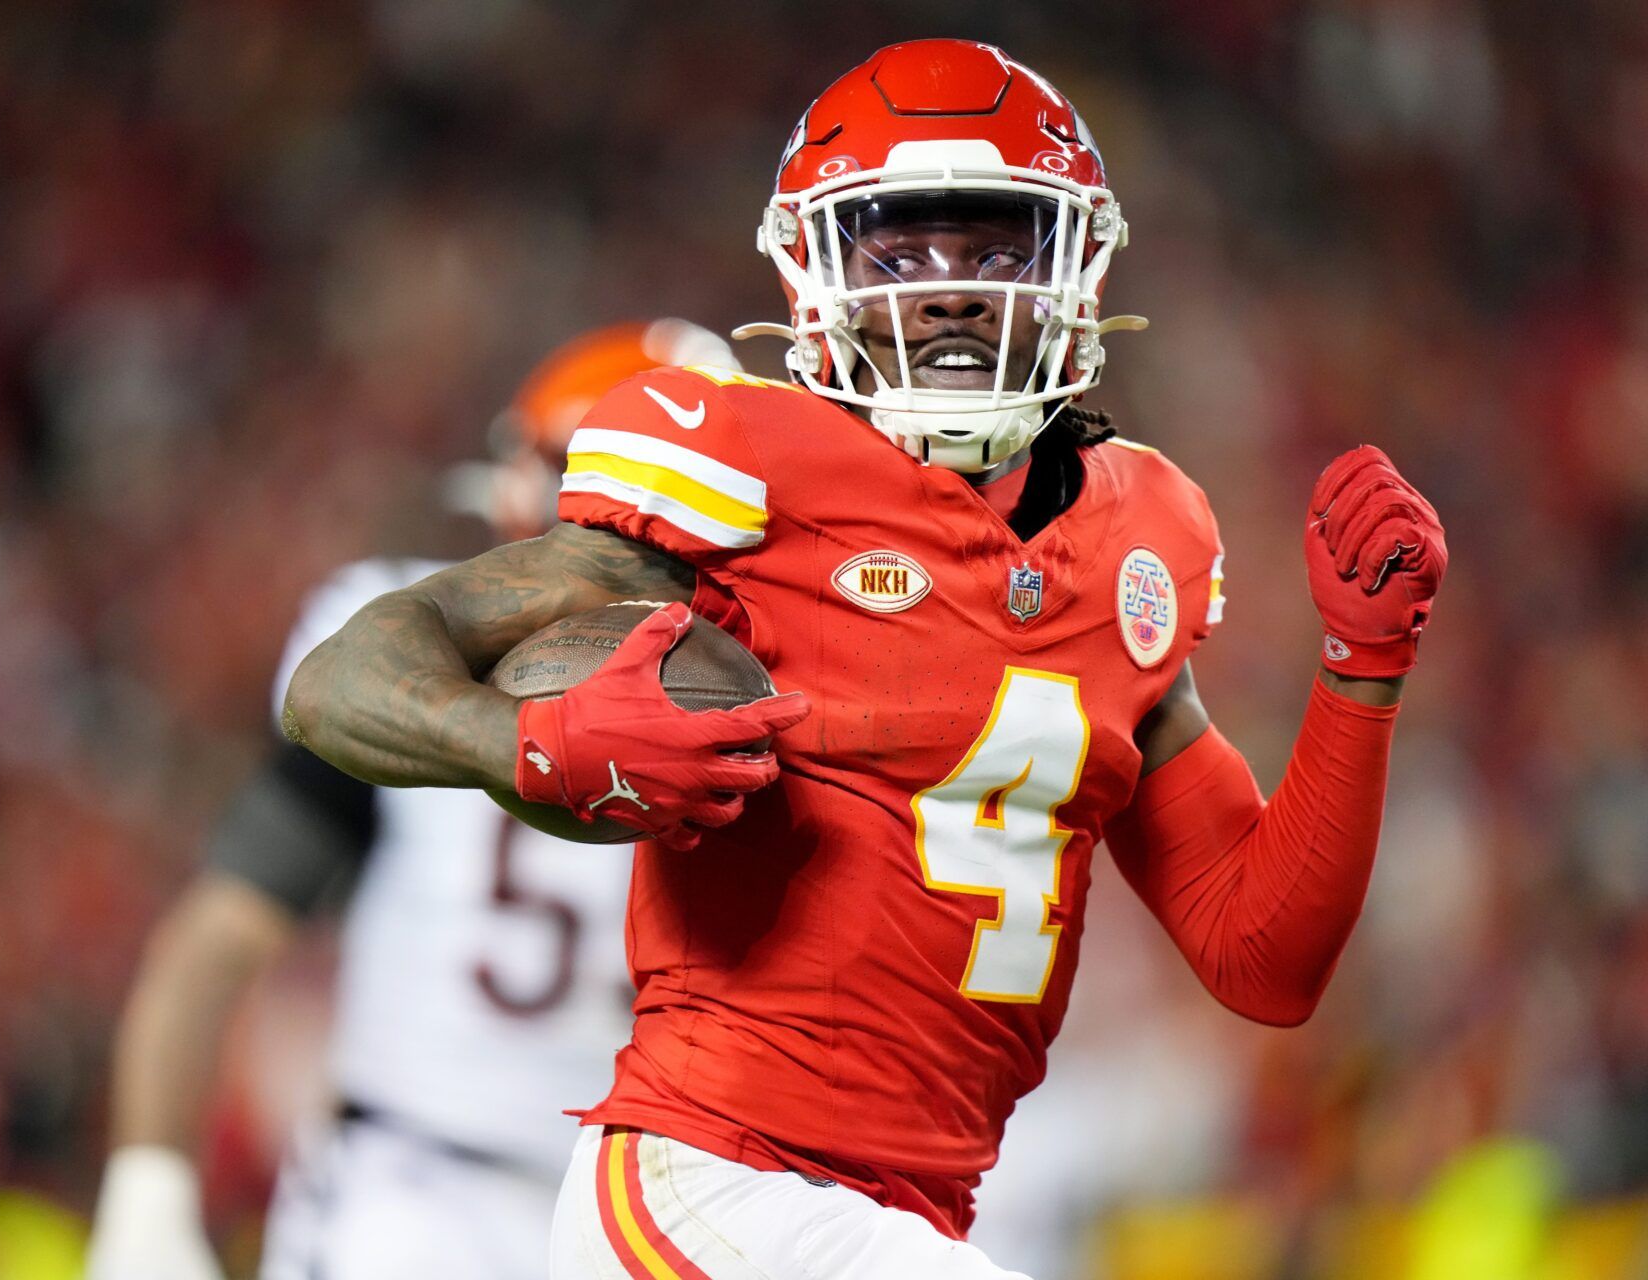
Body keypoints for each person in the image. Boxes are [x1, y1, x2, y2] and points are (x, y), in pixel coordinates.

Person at [283, 38, 1449, 1279]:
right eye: (901, 247)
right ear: (815, 270)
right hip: (711, 1179)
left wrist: (1359, 670)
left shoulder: (1139, 537)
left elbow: (1263, 957)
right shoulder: (739, 467)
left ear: (1075, 267)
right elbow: (340, 679)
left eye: (996, 244)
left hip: (902, 1214)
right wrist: (522, 742)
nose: (948, 288)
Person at [84, 321, 739, 1280]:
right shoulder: (777, 690)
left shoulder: (401, 643)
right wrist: (147, 1197)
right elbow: (222, 933)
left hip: (565, 1211)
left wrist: (147, 1196)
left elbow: (215, 936)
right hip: (456, 1192)